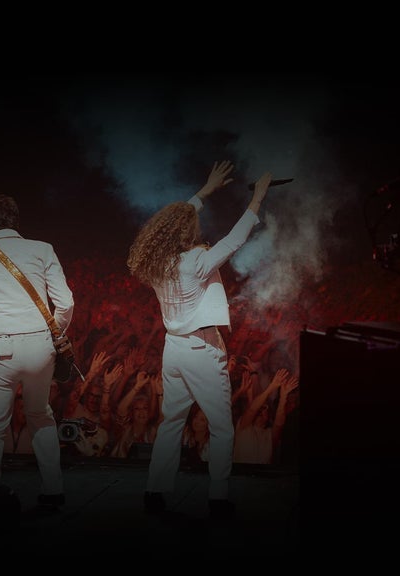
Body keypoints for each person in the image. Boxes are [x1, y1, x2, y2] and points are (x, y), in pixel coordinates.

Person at [126, 160, 273, 519]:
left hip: (174, 348)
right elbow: (235, 240)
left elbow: (174, 222)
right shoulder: (196, 260)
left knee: (171, 423)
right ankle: (218, 498)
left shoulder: (157, 263)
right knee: (221, 428)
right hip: (201, 350)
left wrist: (205, 191)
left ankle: (155, 492)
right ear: (186, 230)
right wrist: (258, 197)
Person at [0, 194, 74, 514]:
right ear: (16, 222)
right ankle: (54, 491)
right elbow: (66, 303)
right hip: (40, 347)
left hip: (2, 349)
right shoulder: (43, 249)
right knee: (40, 415)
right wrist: (54, 332)